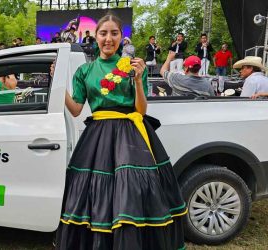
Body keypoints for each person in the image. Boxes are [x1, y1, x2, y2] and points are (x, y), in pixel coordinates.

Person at [55, 14, 186, 250]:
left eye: (114, 33)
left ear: (121, 37)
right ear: (95, 37)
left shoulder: (135, 66)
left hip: (130, 135)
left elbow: (141, 109)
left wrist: (137, 80)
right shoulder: (85, 71)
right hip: (98, 138)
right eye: (103, 33)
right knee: (94, 192)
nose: (108, 38)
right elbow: (75, 110)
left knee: (131, 191)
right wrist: (57, 84)